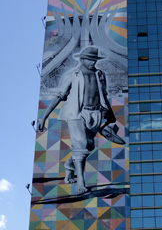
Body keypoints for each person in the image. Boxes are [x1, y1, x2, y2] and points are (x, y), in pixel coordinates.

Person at [38, 46, 121, 194]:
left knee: (88, 147)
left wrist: (110, 115)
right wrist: (43, 117)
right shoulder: (71, 75)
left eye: (94, 60)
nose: (92, 62)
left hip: (96, 113)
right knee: (81, 146)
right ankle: (81, 183)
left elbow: (103, 95)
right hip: (76, 114)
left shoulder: (100, 75)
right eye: (89, 59)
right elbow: (59, 96)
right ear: (81, 59)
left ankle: (69, 167)